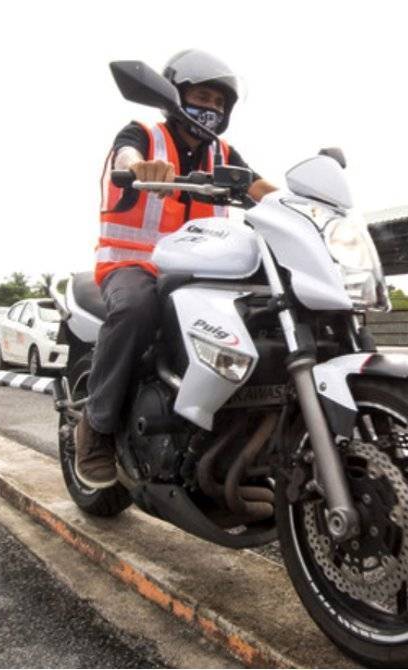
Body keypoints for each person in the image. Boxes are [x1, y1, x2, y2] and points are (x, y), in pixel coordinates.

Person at [75, 50, 278, 489]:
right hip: (132, 264)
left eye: (220, 103)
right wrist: (140, 167)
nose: (212, 108)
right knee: (136, 311)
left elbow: (261, 188)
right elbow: (125, 158)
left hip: (201, 270)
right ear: (173, 95)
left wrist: (302, 206)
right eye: (203, 96)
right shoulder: (144, 136)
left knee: (266, 313)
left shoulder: (222, 154)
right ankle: (97, 426)